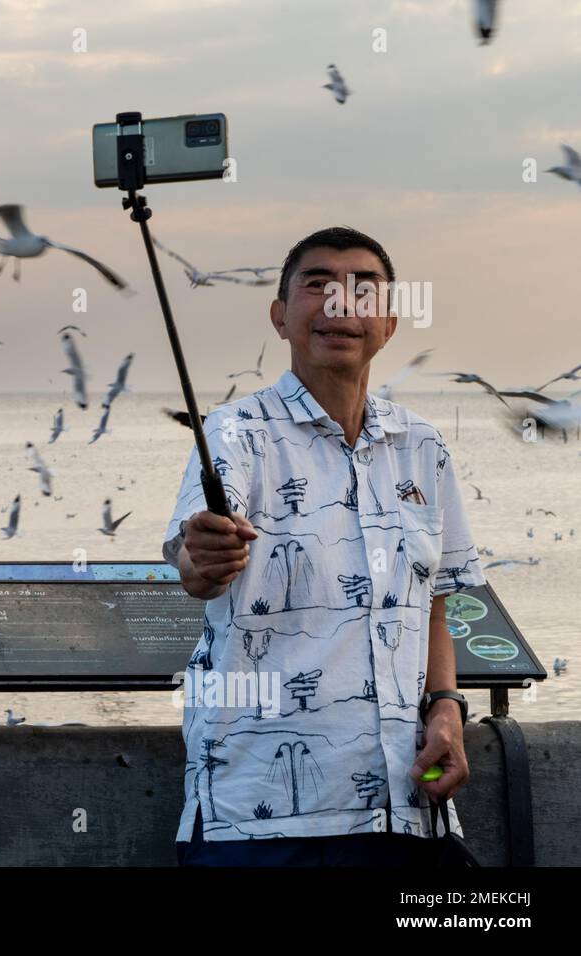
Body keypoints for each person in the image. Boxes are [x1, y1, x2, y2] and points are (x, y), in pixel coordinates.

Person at [163, 226, 483, 866]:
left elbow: (436, 598)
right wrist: (204, 555)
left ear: (388, 324)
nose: (341, 304)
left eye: (364, 289)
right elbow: (195, 561)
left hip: (407, 806)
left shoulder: (422, 445)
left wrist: (446, 710)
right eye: (318, 285)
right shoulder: (234, 434)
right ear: (280, 317)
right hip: (258, 823)